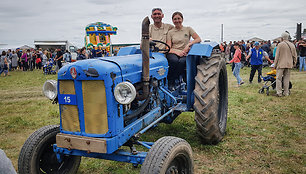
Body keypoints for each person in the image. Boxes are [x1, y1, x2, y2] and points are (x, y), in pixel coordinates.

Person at [166, 11, 201, 88]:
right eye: (175, 19)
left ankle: (178, 79)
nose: (177, 20)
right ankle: (171, 81)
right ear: (172, 21)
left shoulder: (188, 29)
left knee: (182, 62)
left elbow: (198, 39)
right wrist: (177, 52)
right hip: (174, 52)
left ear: (182, 19)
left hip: (185, 52)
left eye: (179, 18)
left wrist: (188, 44)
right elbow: (168, 47)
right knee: (173, 61)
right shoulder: (170, 32)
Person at [274, 32, 297, 97]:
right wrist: (294, 63)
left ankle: (279, 92)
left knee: (278, 79)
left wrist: (274, 65)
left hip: (281, 64)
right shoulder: (292, 45)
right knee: (286, 79)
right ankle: (286, 92)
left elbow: (277, 56)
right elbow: (295, 55)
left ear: (282, 38)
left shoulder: (280, 45)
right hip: (289, 64)